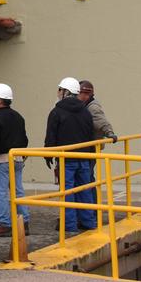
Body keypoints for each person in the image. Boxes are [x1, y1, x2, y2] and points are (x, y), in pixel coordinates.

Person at [44, 76, 98, 235]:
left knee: (67, 192)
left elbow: (51, 137)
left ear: (65, 92)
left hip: (66, 159)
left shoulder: (56, 112)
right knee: (85, 190)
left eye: (60, 89)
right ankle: (88, 222)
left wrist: (48, 155)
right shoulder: (86, 112)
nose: (58, 92)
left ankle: (70, 224)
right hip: (84, 158)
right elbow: (90, 135)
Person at [0, 83, 29, 237]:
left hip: (2, 160)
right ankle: (24, 223)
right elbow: (25, 139)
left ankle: (4, 224)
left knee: (1, 193)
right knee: (18, 191)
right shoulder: (18, 117)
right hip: (18, 158)